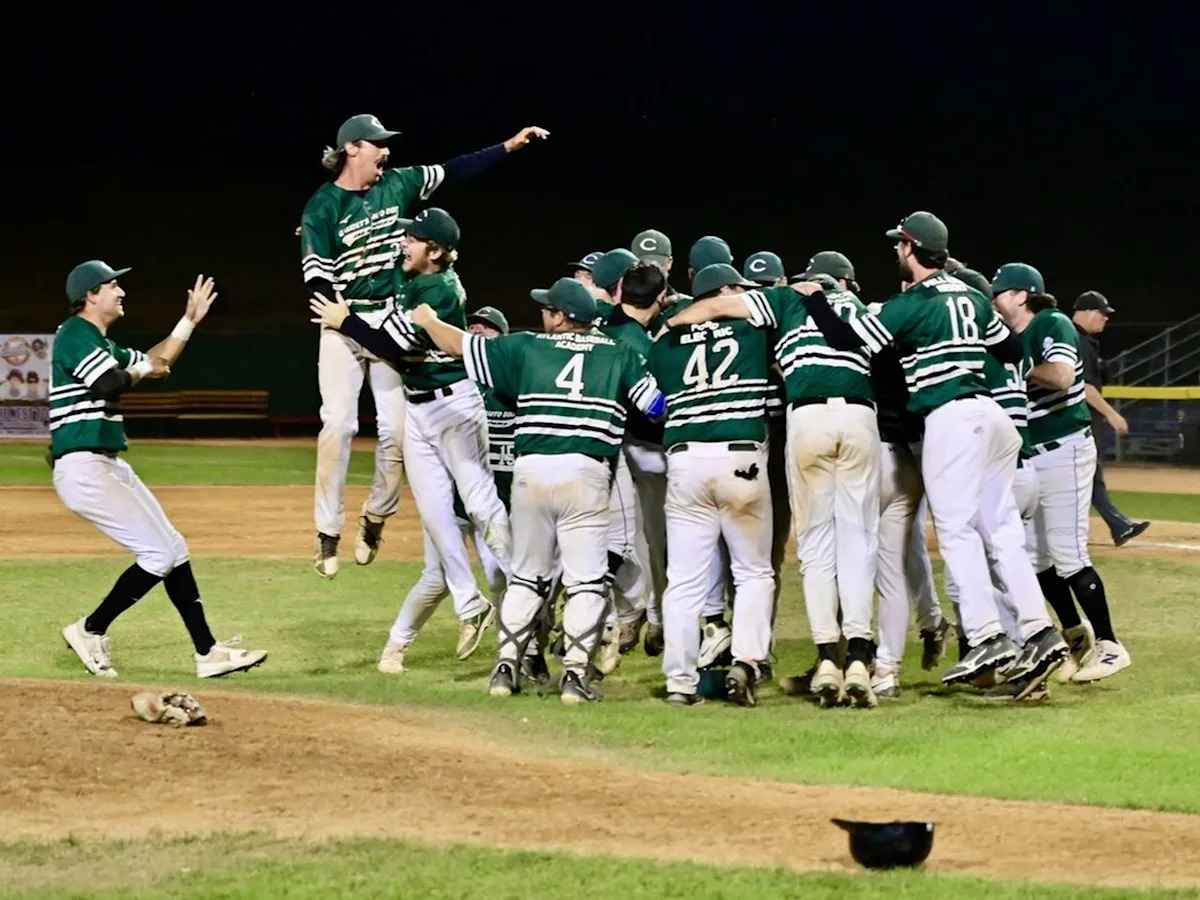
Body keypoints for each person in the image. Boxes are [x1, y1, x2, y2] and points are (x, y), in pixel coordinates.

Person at [799, 212, 1068, 695]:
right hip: (994, 418)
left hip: (951, 418)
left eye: (898, 245)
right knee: (1001, 529)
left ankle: (986, 635)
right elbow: (1008, 349)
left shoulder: (913, 302)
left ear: (910, 247)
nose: (895, 253)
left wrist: (817, 299)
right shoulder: (970, 294)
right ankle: (1038, 629)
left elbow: (843, 338)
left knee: (957, 529)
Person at [301, 112, 547, 578]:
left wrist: (508, 147)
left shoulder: (400, 183)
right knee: (338, 423)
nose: (386, 150)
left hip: (387, 318)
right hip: (341, 317)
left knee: (395, 431)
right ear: (351, 148)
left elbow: (455, 169)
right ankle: (327, 531)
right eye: (377, 143)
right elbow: (315, 274)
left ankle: (375, 516)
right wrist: (334, 313)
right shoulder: (322, 206)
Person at [408, 277, 665, 704]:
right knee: (585, 582)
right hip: (586, 472)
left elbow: (457, 345)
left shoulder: (526, 346)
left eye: (549, 308)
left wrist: (428, 318)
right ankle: (575, 679)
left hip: (531, 472)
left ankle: (505, 671)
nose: (543, 313)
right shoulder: (619, 352)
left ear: (562, 317)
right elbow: (655, 408)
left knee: (526, 577)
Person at [667, 267, 888, 708]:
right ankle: (860, 658)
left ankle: (827, 658)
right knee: (859, 542)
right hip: (861, 416)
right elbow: (882, 351)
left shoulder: (783, 301)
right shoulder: (860, 306)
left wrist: (672, 323)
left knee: (815, 546)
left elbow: (712, 308)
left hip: (806, 418)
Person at [309, 208, 511, 662]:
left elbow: (389, 348)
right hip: (419, 410)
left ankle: (523, 588)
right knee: (437, 515)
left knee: (478, 503)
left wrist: (344, 320)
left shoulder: (438, 290)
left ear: (435, 251)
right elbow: (377, 261)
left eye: (414, 239)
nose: (404, 243)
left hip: (453, 404)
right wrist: (324, 236)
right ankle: (470, 604)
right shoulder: (415, 273)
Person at [54, 260, 267, 679]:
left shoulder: (102, 343)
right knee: (156, 554)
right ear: (90, 295)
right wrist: (140, 369)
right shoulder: (74, 334)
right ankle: (90, 629)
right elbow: (109, 384)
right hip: (84, 467)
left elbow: (158, 361)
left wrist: (187, 323)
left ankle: (208, 653)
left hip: (105, 462)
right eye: (113, 286)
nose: (122, 292)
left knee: (174, 547)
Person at [992, 264, 1132, 684]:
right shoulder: (1012, 337)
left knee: (1069, 554)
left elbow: (1062, 375)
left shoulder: (1050, 321)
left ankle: (1110, 645)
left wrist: (1016, 363)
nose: (994, 301)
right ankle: (1075, 633)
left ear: (1021, 295)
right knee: (1036, 559)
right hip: (1035, 453)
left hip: (1065, 447)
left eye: (999, 293)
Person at [651, 263, 777, 707]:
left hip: (685, 463)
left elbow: (653, 404)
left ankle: (679, 683)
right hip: (741, 459)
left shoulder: (665, 341)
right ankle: (745, 662)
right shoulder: (755, 327)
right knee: (753, 572)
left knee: (684, 581)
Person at [374, 305, 521, 676]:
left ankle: (512, 652)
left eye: (488, 331)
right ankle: (396, 645)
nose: (478, 334)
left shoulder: (511, 386)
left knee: (500, 575)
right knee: (435, 578)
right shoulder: (456, 389)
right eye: (472, 329)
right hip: (452, 503)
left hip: (496, 503)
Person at [1072, 291, 1151, 546]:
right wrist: (1112, 413)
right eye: (1102, 314)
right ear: (1086, 311)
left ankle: (1118, 526)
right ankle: (1116, 526)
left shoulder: (1084, 340)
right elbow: (1084, 386)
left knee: (1089, 475)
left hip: (1081, 417)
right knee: (1086, 474)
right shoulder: (1077, 340)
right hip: (1077, 418)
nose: (1105, 319)